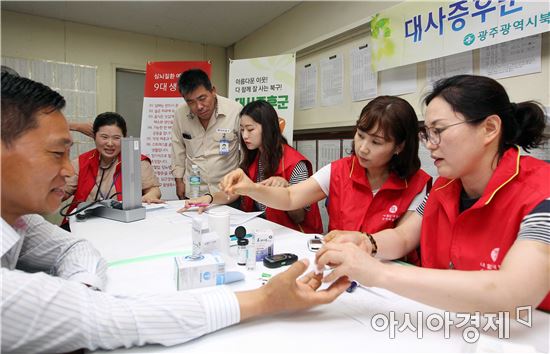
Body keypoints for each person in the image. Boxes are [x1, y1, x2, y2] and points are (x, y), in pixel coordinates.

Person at [0, 73, 350, 352]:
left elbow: (73, 250)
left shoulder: (291, 162)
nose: (66, 170)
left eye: (249, 130)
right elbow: (108, 318)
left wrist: (78, 295)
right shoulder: (250, 160)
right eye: (56, 153)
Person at [314, 74, 550, 313]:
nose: (429, 144)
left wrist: (378, 273)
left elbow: (514, 292)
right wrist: (367, 242)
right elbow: (405, 237)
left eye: (439, 130)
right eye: (427, 133)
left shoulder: (543, 194)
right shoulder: (443, 187)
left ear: (489, 129)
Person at [220, 96, 431, 262]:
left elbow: (404, 239)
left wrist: (365, 242)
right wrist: (250, 188)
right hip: (337, 264)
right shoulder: (339, 170)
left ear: (399, 147)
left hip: (386, 272)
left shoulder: (418, 184)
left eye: (376, 142)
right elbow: (291, 196)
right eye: (360, 135)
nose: (363, 148)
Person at [181, 100, 323, 234]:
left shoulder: (295, 163)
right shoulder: (254, 157)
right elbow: (233, 191)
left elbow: (299, 218)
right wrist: (207, 198)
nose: (244, 135)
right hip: (263, 227)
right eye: (242, 130)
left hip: (291, 234)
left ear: (268, 128)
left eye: (250, 129)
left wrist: (286, 190)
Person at [62, 112, 162, 226]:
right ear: (94, 136)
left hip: (123, 224)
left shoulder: (137, 161)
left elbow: (154, 190)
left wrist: (149, 196)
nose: (110, 143)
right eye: (104, 137)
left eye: (116, 138)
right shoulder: (81, 162)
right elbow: (63, 192)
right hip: (85, 222)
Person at [171, 69, 242, 204]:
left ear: (213, 91)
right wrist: (179, 180)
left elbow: (246, 151)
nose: (199, 106)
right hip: (194, 192)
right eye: (190, 102)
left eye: (202, 98)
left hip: (227, 192)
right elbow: (177, 148)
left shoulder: (235, 111)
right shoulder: (180, 115)